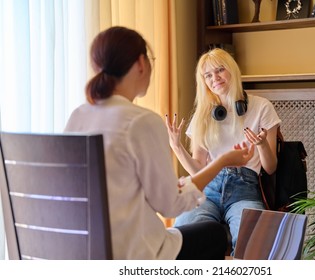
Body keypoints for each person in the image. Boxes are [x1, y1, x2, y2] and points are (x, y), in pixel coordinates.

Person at [64, 26, 255, 260]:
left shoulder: (78, 116)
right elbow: (171, 205)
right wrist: (223, 161)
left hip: (84, 250)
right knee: (213, 235)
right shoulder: (142, 121)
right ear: (141, 64)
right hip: (136, 253)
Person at [165, 48, 281, 255]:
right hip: (207, 190)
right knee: (180, 237)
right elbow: (198, 171)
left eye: (220, 70)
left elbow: (270, 168)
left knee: (256, 246)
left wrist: (262, 145)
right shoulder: (202, 115)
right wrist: (177, 147)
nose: (214, 78)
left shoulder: (262, 107)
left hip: (244, 189)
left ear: (232, 71)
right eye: (208, 75)